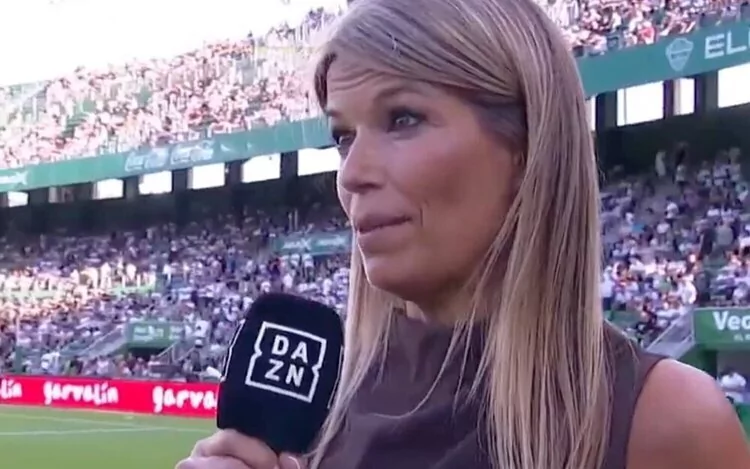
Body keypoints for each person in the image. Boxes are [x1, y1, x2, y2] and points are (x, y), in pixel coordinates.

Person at [175, 0, 750, 468]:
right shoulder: (316, 412)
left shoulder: (664, 423)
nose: (351, 176)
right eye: (343, 137)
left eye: (402, 119)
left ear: (526, 148)